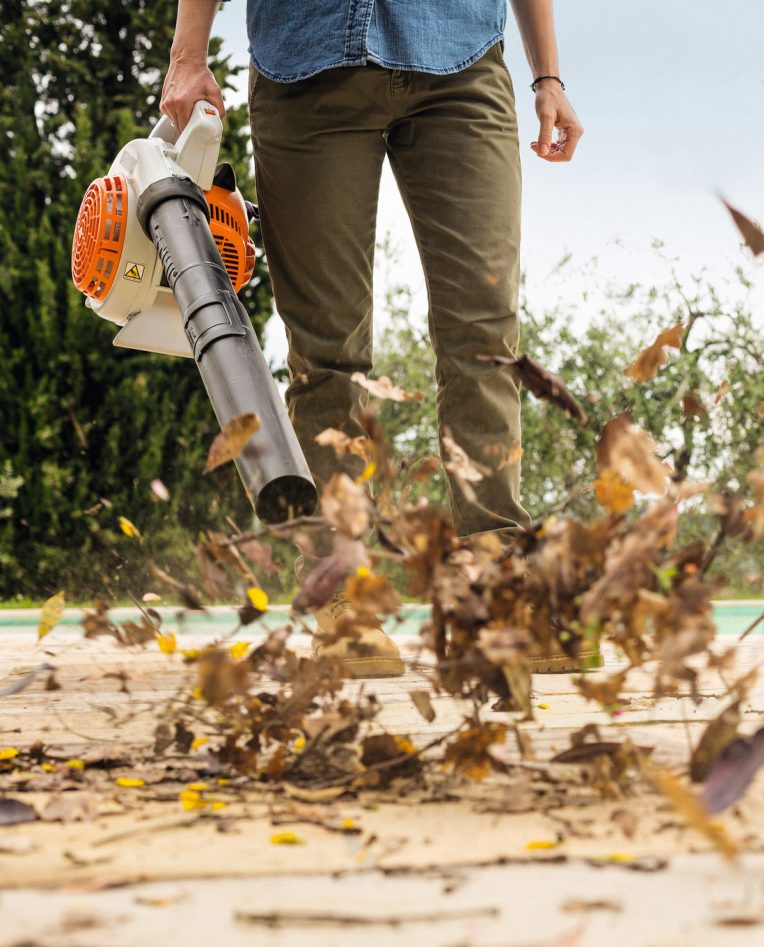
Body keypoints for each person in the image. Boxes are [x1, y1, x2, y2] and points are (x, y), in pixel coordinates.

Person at [161, 0, 586, 677]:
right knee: (327, 349)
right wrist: (188, 56)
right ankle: (343, 588)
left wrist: (548, 77)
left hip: (460, 62)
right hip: (306, 63)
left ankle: (502, 579)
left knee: (485, 333)